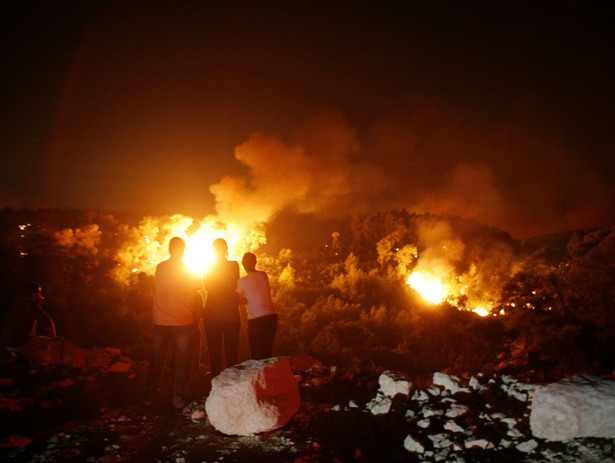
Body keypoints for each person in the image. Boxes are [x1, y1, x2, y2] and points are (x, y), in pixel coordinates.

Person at [145, 237, 202, 409]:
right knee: (182, 361)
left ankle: (149, 396)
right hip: (183, 320)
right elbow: (198, 288)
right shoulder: (190, 270)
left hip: (161, 320)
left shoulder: (161, 267)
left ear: (170, 249)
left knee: (156, 358)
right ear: (183, 251)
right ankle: (178, 398)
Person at [202, 238, 240, 377]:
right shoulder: (233, 265)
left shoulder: (207, 266)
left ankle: (216, 383)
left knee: (214, 352)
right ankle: (233, 385)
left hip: (212, 315)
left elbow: (206, 286)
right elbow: (235, 284)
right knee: (231, 353)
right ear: (225, 249)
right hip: (230, 314)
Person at [237, 252, 278, 359]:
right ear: (255, 262)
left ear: (243, 264)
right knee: (267, 353)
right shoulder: (263, 275)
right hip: (271, 317)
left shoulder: (242, 282)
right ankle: (269, 374)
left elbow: (238, 300)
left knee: (256, 355)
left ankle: (259, 375)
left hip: (256, 320)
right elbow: (258, 293)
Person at [1, 282, 56, 351]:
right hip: (18, 343)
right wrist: (54, 340)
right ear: (34, 294)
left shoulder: (18, 303)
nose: (40, 295)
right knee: (48, 348)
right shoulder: (32, 306)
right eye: (39, 292)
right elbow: (48, 321)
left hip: (6, 342)